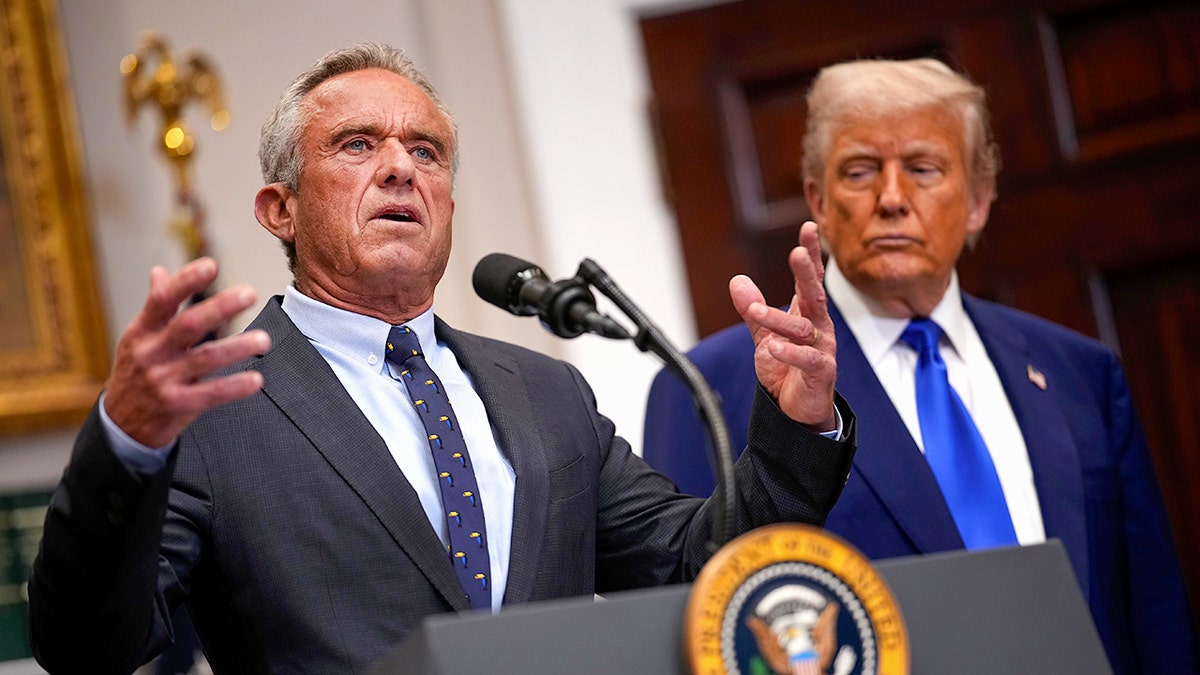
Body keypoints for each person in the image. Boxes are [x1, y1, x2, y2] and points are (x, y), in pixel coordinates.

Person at [28, 42, 856, 673]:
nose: (399, 166)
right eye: (356, 146)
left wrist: (798, 422)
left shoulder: (545, 391)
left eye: (425, 152)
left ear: (448, 202)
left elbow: (701, 563)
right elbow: (89, 646)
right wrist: (127, 440)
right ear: (279, 209)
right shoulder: (216, 405)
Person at [642, 58, 1197, 673]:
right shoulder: (711, 387)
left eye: (923, 168)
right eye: (859, 172)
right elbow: (694, 622)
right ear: (818, 202)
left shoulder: (1078, 372)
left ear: (980, 201)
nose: (892, 199)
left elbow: (1153, 611)